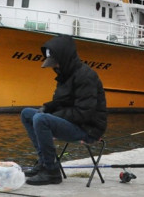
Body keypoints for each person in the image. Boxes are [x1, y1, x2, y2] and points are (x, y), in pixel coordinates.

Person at [20, 35, 107, 186]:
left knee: (41, 119)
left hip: (87, 128)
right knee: (27, 114)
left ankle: (51, 172)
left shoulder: (86, 76)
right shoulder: (65, 75)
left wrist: (50, 115)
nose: (54, 67)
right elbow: (62, 101)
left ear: (65, 58)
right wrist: (47, 107)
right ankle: (43, 162)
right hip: (73, 122)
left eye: (56, 63)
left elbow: (83, 113)